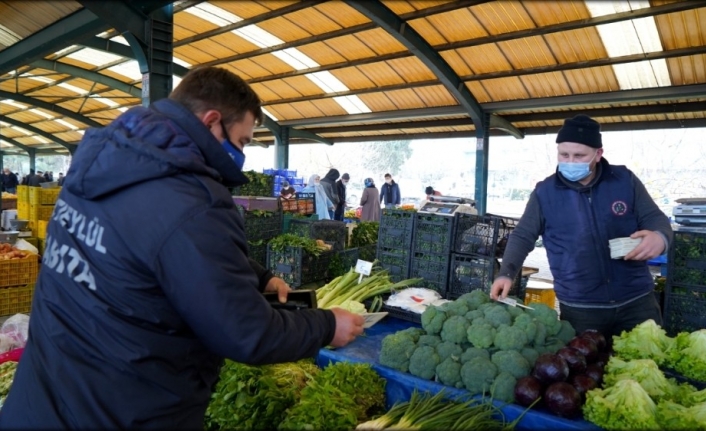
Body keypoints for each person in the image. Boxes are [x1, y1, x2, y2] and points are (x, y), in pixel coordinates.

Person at [0, 67, 364, 430]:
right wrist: (326, 326)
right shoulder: (191, 198)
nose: (242, 155)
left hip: (41, 399)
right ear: (211, 123)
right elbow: (247, 333)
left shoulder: (101, 167)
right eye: (243, 142)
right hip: (121, 413)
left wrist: (261, 277)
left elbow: (151, 244)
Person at [490, 114, 672, 339]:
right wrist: (506, 273)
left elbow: (655, 217)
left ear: (598, 154)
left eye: (579, 155)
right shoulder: (545, 192)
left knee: (647, 365)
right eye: (564, 154)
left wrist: (660, 237)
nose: (570, 161)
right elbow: (523, 236)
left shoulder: (624, 180)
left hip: (636, 301)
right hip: (580, 307)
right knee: (585, 370)